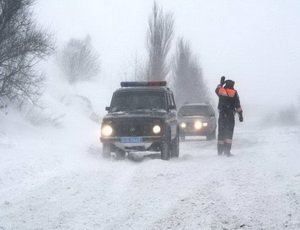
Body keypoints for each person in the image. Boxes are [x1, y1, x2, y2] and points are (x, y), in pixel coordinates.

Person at [215, 76, 243, 156]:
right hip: (230, 115)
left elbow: (216, 90)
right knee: (229, 133)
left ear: (226, 84)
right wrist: (240, 115)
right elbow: (237, 105)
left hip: (222, 114)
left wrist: (220, 83)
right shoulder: (234, 92)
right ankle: (227, 151)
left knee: (221, 132)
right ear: (233, 85)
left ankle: (220, 152)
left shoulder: (221, 90)